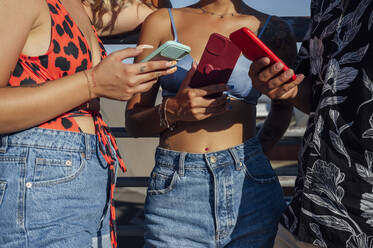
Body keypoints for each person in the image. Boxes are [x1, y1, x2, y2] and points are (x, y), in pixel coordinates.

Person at [0, 0, 177, 247]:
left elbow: (159, 15)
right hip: (40, 179)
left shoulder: (79, 7)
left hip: (88, 176)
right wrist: (92, 83)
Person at [125, 0, 297, 247]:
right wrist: (174, 110)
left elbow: (284, 107)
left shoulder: (272, 29)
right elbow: (134, 122)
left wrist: (251, 159)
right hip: (177, 191)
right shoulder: (162, 21)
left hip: (250, 189)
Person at [249, 0, 373, 247]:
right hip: (307, 209)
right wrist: (283, 88)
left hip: (362, 211)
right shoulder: (323, 4)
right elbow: (320, 97)